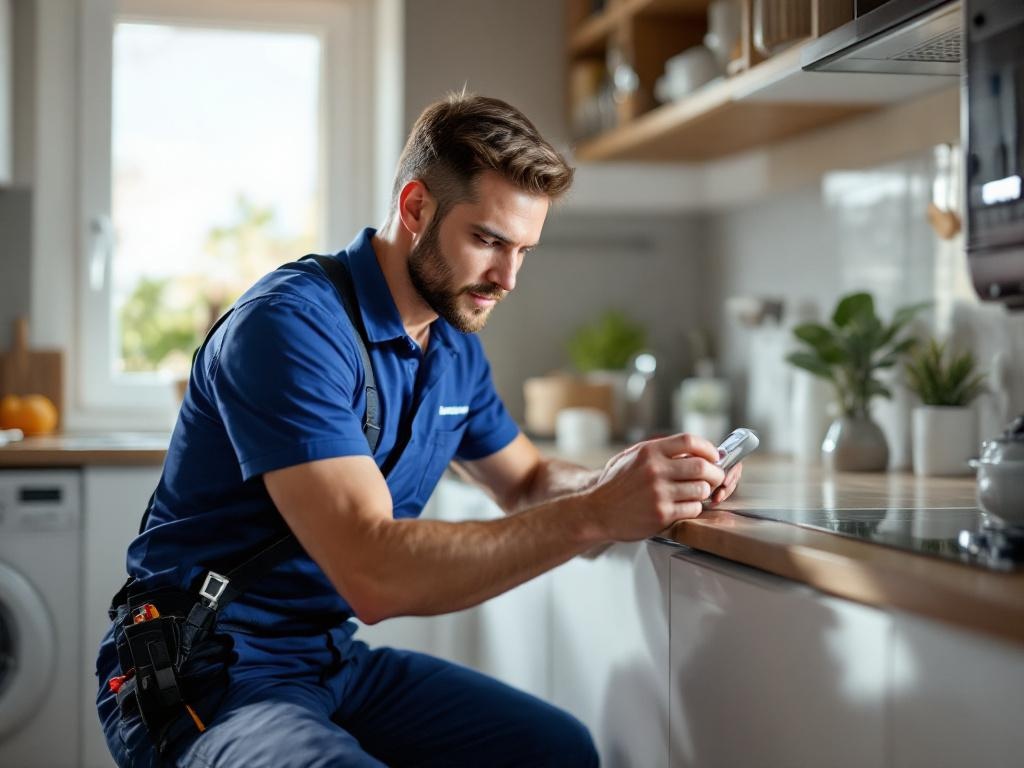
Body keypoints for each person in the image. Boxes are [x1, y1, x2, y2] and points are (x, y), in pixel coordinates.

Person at [96, 92, 743, 768]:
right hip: (202, 669)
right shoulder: (292, 326)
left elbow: (527, 481)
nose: (507, 277)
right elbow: (372, 572)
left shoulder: (452, 344)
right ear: (415, 209)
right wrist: (596, 512)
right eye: (488, 241)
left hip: (325, 659)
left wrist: (627, 481)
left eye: (523, 250)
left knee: (556, 751)